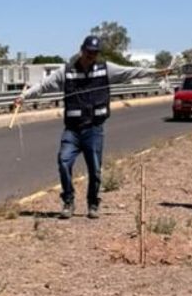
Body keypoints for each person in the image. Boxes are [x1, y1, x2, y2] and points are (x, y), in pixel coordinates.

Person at [13, 35, 164, 219]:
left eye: (95, 53)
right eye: (88, 52)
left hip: (94, 129)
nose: (91, 56)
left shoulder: (105, 69)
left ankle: (93, 203)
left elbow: (130, 72)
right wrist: (24, 97)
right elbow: (44, 85)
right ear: (81, 50)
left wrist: (157, 72)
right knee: (63, 161)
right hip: (72, 129)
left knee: (95, 169)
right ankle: (68, 201)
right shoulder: (66, 71)